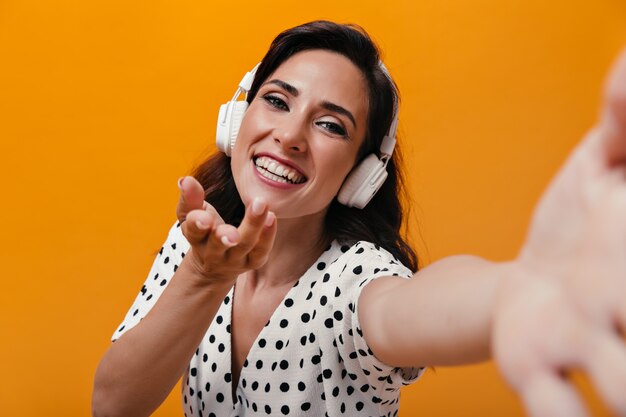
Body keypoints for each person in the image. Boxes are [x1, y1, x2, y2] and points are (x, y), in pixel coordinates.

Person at [92, 20, 626, 417]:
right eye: (277, 101)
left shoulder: (356, 283)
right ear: (237, 120)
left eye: (330, 124)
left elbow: (407, 309)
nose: (290, 135)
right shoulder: (196, 242)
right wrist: (204, 278)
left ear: (360, 174)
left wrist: (509, 293)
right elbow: (113, 405)